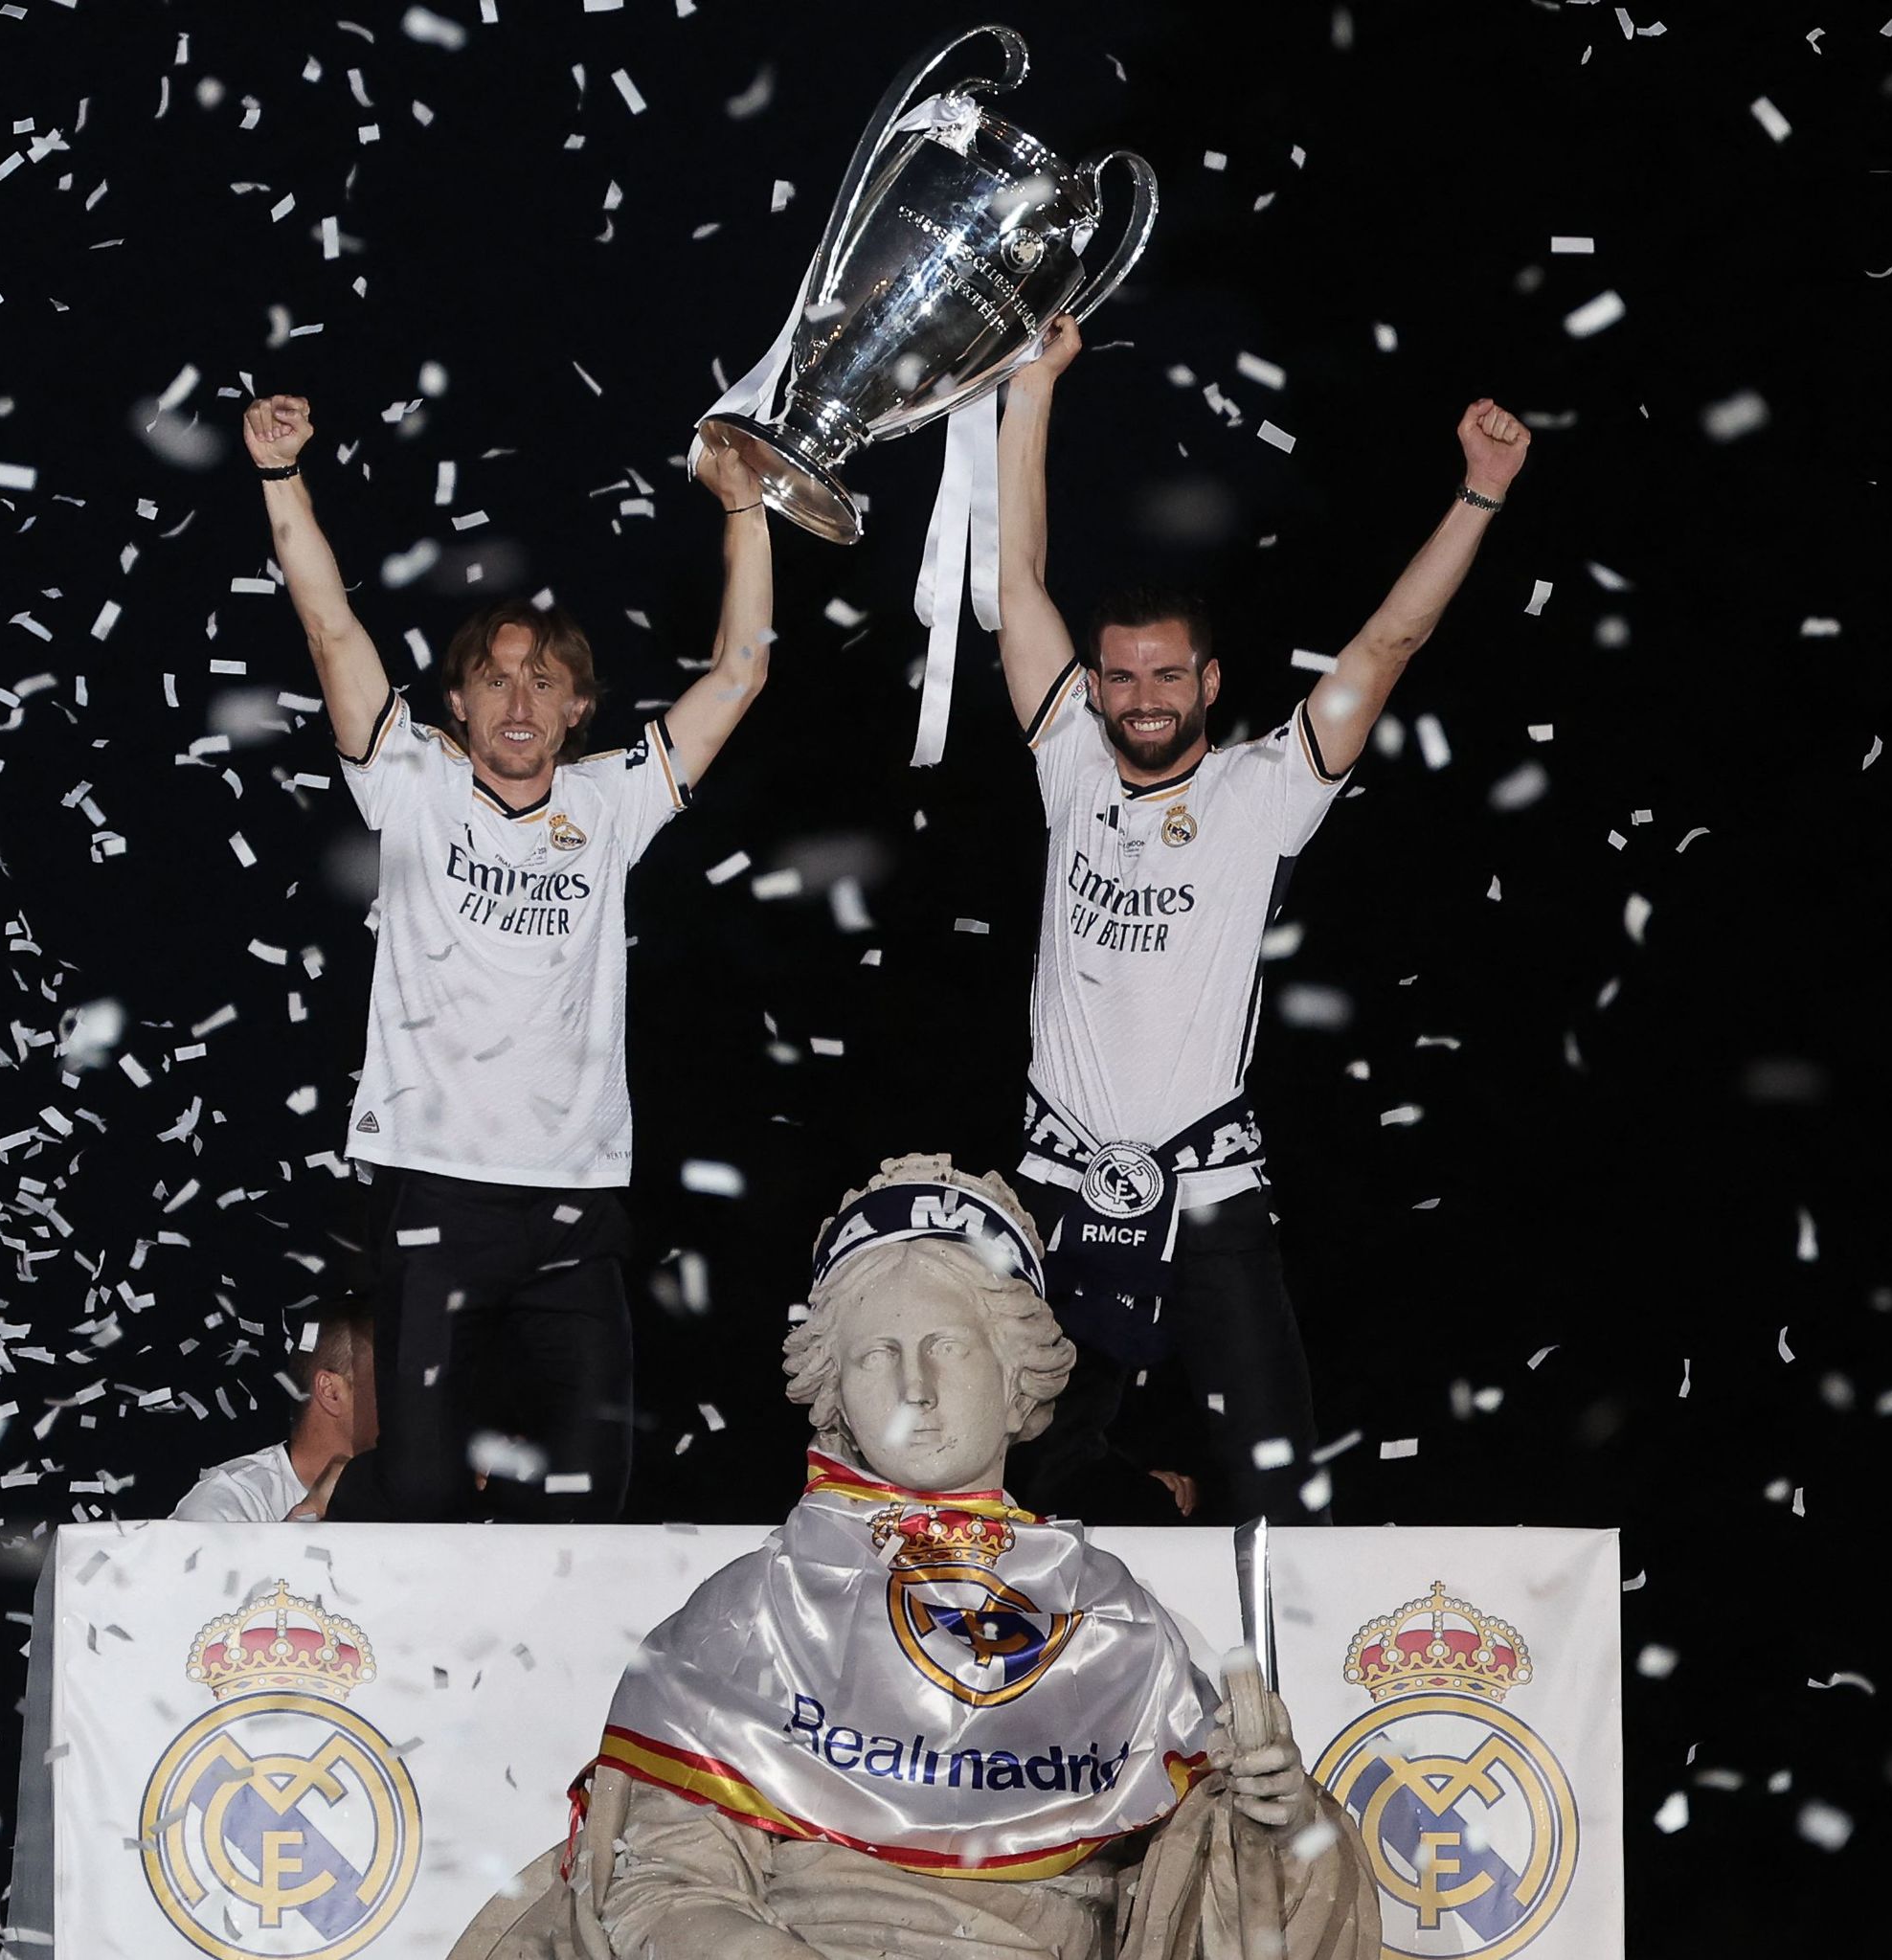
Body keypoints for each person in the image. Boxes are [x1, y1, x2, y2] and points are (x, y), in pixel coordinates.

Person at [449, 1154, 1378, 1960]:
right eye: (875, 1356)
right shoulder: (751, 1612)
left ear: (1018, 1374)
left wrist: (1275, 1823)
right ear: (838, 1395)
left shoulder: (1113, 1618)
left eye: (946, 1347)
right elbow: (657, 1898)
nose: (915, 1389)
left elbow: (1199, 1910)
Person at [994, 314, 1534, 1527]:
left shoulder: (1261, 792)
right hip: (1055, 1181)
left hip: (1211, 1192)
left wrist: (1480, 496)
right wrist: (1032, 390)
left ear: (1209, 683)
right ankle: (1136, 1531)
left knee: (1284, 1488)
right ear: (1094, 684)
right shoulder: (1067, 764)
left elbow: (1391, 642)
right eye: (1120, 675)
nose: (1142, 697)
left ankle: (1282, 1680)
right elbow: (1018, 583)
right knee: (1024, 1478)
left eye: (1166, 675)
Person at [240, 393, 776, 1522]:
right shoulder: (412, 785)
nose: (518, 698)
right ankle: (348, 1512)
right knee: (427, 1484)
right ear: (458, 701)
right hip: (436, 1191)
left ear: (579, 706)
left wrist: (748, 509)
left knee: (595, 1487)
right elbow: (332, 628)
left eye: (543, 680)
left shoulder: (613, 801)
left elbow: (740, 673)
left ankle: (550, 1686)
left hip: (576, 1204)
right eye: (494, 677)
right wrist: (282, 480)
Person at [169, 1295, 377, 1522]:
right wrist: (310, 1515)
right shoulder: (228, 1501)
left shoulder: (410, 1500)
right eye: (391, 1382)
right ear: (332, 1392)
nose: (409, 1404)